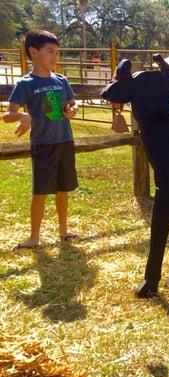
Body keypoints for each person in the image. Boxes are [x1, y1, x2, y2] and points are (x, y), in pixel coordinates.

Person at [2, 30, 79, 250]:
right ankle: (34, 237)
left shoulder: (61, 80)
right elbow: (8, 115)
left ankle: (63, 231)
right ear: (33, 52)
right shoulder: (26, 84)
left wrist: (73, 110)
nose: (55, 57)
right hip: (43, 145)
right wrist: (22, 116)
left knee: (63, 188)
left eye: (57, 52)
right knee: (41, 191)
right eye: (50, 52)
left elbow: (74, 104)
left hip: (65, 141)